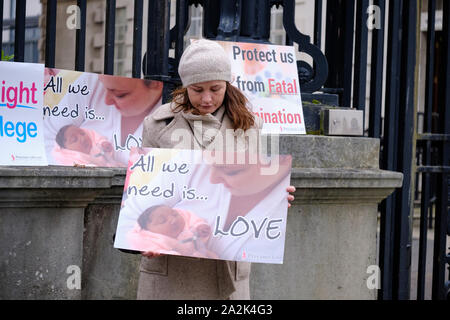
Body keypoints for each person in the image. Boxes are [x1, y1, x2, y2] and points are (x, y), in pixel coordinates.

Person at [138, 39, 295, 300]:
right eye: (197, 89)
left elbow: (254, 186)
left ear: (227, 84)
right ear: (185, 86)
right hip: (170, 263)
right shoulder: (157, 125)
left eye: (216, 88)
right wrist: (146, 239)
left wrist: (275, 196)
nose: (207, 98)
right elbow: (143, 190)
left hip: (224, 260)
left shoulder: (249, 126)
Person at [44, 72, 163, 165]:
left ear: (156, 83)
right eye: (104, 87)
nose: (107, 100)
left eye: (120, 94)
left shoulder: (172, 121)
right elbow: (46, 138)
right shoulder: (91, 83)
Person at [127, 205, 217, 259]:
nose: (173, 220)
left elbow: (191, 218)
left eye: (174, 214)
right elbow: (155, 252)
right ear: (149, 231)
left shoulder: (184, 218)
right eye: (162, 221)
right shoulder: (151, 240)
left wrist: (200, 226)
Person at [52, 124, 122, 167]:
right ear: (67, 150)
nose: (82, 138)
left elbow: (98, 138)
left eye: (82, 133)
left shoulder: (95, 145)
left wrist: (104, 144)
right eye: (74, 140)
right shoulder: (71, 159)